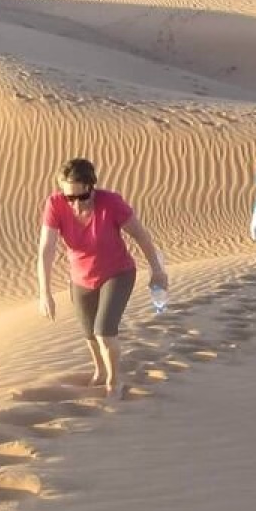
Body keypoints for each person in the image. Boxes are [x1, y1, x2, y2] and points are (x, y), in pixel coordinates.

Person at [36, 158, 168, 400]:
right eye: (69, 197)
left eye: (81, 197)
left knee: (104, 331)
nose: (75, 204)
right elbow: (46, 249)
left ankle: (114, 380)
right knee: (89, 334)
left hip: (117, 273)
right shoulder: (54, 204)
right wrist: (45, 293)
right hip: (81, 278)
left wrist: (157, 270)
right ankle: (99, 369)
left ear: (91, 187)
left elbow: (141, 235)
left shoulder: (111, 203)